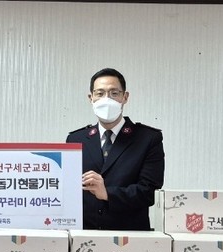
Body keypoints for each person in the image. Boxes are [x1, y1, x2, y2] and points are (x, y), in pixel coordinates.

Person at [67, 68, 165, 230]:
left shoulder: (148, 138)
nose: (106, 99)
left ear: (125, 97)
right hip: (84, 234)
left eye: (114, 93)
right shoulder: (76, 139)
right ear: (91, 98)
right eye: (100, 93)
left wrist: (107, 193)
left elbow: (148, 192)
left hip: (130, 235)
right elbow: (69, 189)